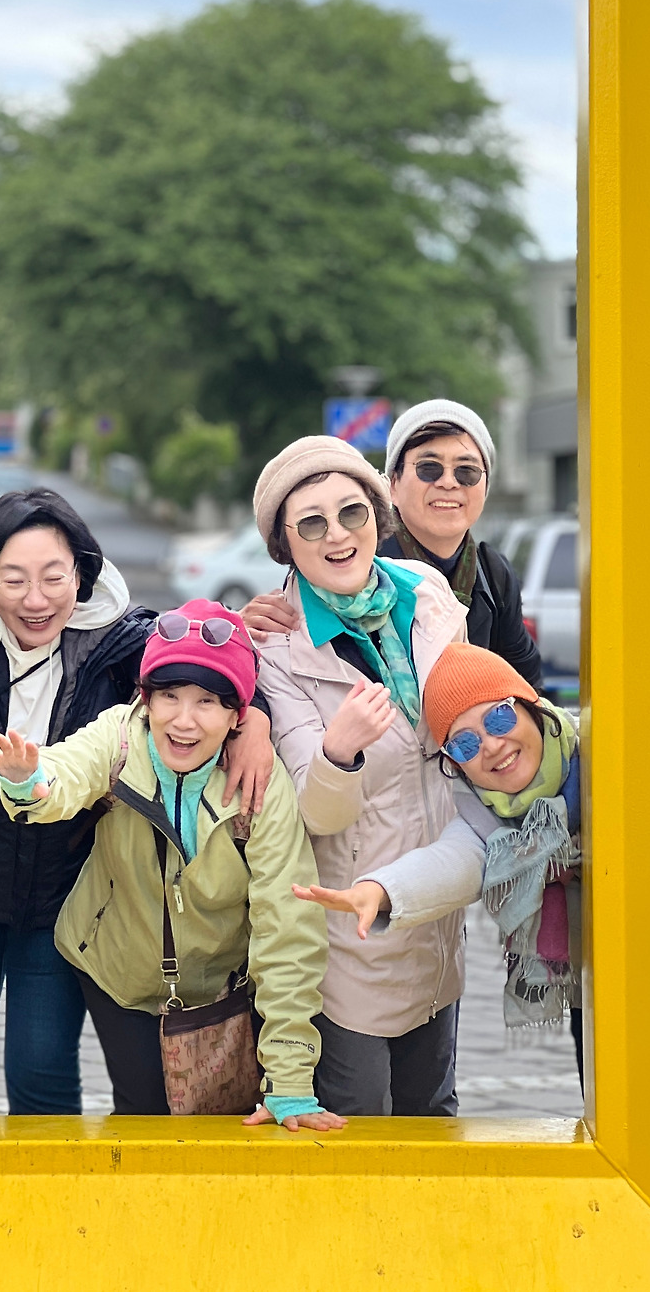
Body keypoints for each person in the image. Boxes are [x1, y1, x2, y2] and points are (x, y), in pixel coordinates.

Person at [0, 488, 275, 1115]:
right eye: (14, 579)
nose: (36, 599)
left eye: (54, 577)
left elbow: (211, 665)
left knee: (40, 1067)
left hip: (63, 890)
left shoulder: (119, 640)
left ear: (82, 574)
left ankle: (51, 1182)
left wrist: (257, 720)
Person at [0, 600, 341, 1130]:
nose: (184, 719)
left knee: (224, 1121)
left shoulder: (262, 789)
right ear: (145, 699)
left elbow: (289, 927)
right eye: (169, 695)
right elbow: (67, 769)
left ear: (238, 716)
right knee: (143, 1113)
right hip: (118, 967)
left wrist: (289, 1081)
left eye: (207, 701)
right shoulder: (120, 738)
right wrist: (27, 780)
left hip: (220, 980)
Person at [249, 435, 481, 1117]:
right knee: (355, 1127)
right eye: (311, 523)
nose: (337, 535)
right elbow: (317, 813)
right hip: (350, 935)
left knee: (433, 1119)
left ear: (378, 515)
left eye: (351, 512)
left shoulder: (427, 594)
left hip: (436, 912)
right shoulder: (278, 643)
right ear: (285, 546)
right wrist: (339, 752)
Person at [297, 642, 583, 1075]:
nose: (492, 746)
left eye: (500, 717)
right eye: (465, 745)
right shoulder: (482, 815)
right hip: (596, 981)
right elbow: (452, 862)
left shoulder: (598, 756)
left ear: (532, 707)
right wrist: (378, 890)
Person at [244, 399, 541, 688]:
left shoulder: (493, 573)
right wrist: (236, 631)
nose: (449, 483)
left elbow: (527, 683)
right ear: (392, 485)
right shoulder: (355, 560)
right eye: (429, 468)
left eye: (467, 471)